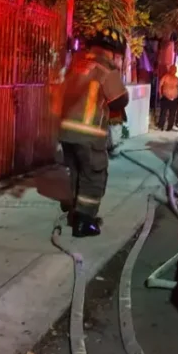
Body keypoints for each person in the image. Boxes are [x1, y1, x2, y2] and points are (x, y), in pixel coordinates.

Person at [57, 28, 129, 238]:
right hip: (89, 133)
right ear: (114, 52)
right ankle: (84, 221)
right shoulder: (106, 68)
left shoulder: (76, 63)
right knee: (93, 175)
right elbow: (120, 99)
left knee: (76, 172)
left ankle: (74, 211)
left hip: (66, 130)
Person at [156, 65, 178, 131]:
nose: (174, 71)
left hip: (174, 98)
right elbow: (160, 85)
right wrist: (160, 94)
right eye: (172, 69)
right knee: (163, 112)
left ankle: (169, 127)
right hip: (166, 97)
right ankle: (161, 126)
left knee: (172, 114)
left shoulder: (177, 79)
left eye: (175, 69)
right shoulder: (165, 77)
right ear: (170, 69)